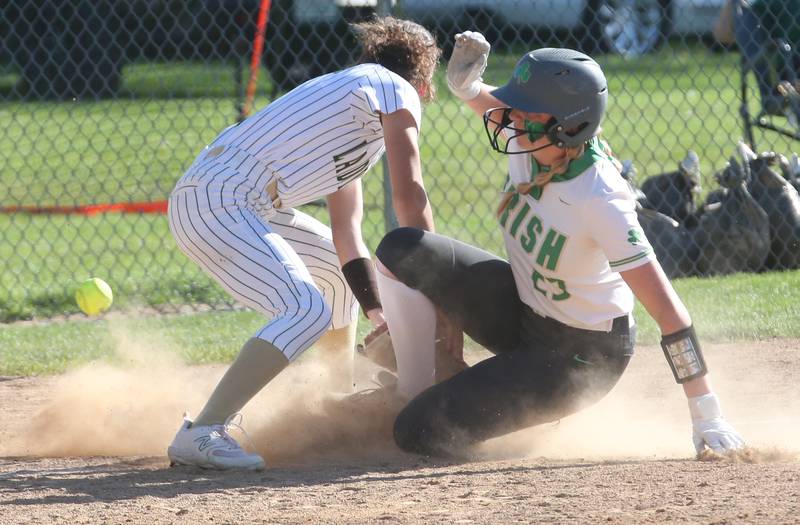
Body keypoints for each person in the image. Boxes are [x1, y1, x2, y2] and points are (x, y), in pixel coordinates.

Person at [372, 32, 746, 458]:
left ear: (570, 126)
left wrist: (706, 410)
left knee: (415, 433)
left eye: (523, 112)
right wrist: (469, 88)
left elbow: (670, 314)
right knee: (404, 247)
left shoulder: (599, 198)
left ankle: (514, 405)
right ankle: (417, 384)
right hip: (525, 309)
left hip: (579, 357)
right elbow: (498, 107)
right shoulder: (537, 143)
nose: (509, 118)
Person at [165, 16, 442, 470]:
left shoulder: (349, 111)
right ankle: (202, 430)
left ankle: (333, 400)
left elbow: (347, 238)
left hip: (234, 199)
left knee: (333, 275)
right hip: (222, 197)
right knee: (304, 308)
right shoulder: (394, 88)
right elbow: (410, 195)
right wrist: (438, 283)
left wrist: (379, 311)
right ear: (424, 81)